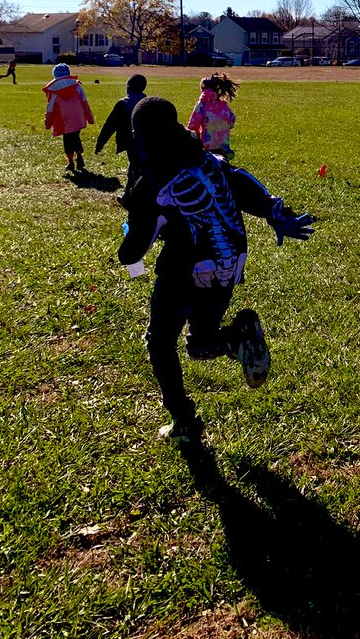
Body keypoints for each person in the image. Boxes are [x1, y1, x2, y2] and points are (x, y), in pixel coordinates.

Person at [119, 96, 314, 442]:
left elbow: (133, 251)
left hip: (187, 270)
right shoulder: (207, 158)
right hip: (228, 267)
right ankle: (239, 336)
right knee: (200, 344)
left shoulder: (152, 183)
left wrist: (130, 236)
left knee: (160, 342)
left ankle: (184, 422)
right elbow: (241, 182)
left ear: (141, 136)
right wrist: (273, 211)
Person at [95, 74, 148, 201]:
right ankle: (133, 193)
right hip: (148, 141)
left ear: (128, 87)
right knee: (141, 166)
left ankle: (129, 195)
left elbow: (110, 125)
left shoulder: (123, 104)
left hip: (131, 141)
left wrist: (100, 143)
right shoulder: (148, 102)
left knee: (134, 168)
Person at [43, 62, 94, 174]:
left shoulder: (53, 90)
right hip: (78, 116)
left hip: (64, 119)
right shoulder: (77, 86)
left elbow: (50, 108)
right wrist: (90, 118)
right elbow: (85, 102)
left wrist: (48, 123)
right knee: (75, 136)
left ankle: (71, 162)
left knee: (68, 141)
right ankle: (79, 155)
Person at [187, 72, 238, 159]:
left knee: (209, 168)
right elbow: (232, 120)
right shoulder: (223, 105)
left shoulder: (202, 104)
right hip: (223, 145)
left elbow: (193, 125)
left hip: (207, 145)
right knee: (223, 166)